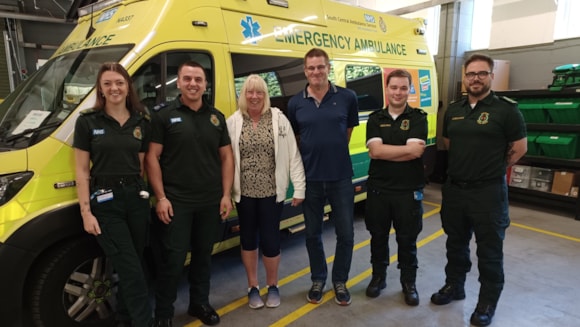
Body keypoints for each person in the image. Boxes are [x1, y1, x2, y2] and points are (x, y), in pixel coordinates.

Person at [430, 53, 527, 327]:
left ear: (491, 76)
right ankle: (454, 286)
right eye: (471, 73)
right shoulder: (454, 109)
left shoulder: (506, 110)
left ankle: (487, 302)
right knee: (455, 244)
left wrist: (491, 167)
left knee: (489, 251)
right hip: (456, 191)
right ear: (464, 76)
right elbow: (448, 141)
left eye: (482, 73)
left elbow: (520, 148)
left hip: (488, 193)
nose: (475, 78)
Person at [145, 61, 234, 327]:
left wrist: (226, 194)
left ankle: (200, 304)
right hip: (176, 202)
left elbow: (227, 157)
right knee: (172, 259)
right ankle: (164, 313)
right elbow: (152, 158)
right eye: (187, 78)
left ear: (205, 83)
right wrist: (160, 197)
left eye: (198, 79)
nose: (193, 83)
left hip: (210, 201)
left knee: (203, 256)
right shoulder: (163, 116)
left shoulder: (216, 117)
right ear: (179, 82)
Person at [73, 62, 153, 327]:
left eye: (119, 82)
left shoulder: (141, 120)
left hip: (135, 196)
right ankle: (143, 322)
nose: (114, 88)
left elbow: (141, 163)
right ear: (100, 89)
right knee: (131, 269)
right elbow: (82, 170)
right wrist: (86, 211)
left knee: (134, 264)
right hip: (106, 201)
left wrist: (144, 193)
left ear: (128, 86)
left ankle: (124, 318)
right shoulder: (87, 121)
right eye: (107, 83)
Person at [287, 48, 359, 306]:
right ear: (305, 71)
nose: (316, 72)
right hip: (311, 180)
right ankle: (318, 279)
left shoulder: (348, 97)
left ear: (329, 68)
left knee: (346, 234)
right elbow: (297, 139)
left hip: (340, 177)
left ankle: (340, 280)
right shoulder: (295, 103)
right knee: (312, 235)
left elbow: (347, 132)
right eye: (311, 68)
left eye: (320, 67)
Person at [226, 74, 306, 309]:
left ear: (265, 94)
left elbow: (293, 154)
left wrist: (299, 187)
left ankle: (273, 285)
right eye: (249, 91)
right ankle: (252, 286)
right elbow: (227, 159)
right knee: (248, 240)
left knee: (271, 241)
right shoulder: (233, 121)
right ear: (243, 95)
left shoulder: (279, 119)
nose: (254, 96)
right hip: (244, 194)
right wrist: (226, 193)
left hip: (272, 193)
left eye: (259, 91)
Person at [364, 69, 427, 305]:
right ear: (387, 89)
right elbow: (375, 151)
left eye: (403, 88)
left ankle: (408, 283)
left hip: (408, 191)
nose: (398, 92)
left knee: (407, 240)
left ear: (409, 90)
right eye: (394, 87)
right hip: (379, 190)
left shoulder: (419, 117)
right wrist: (405, 151)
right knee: (378, 237)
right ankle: (378, 277)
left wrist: (386, 152)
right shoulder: (375, 118)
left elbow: (416, 152)